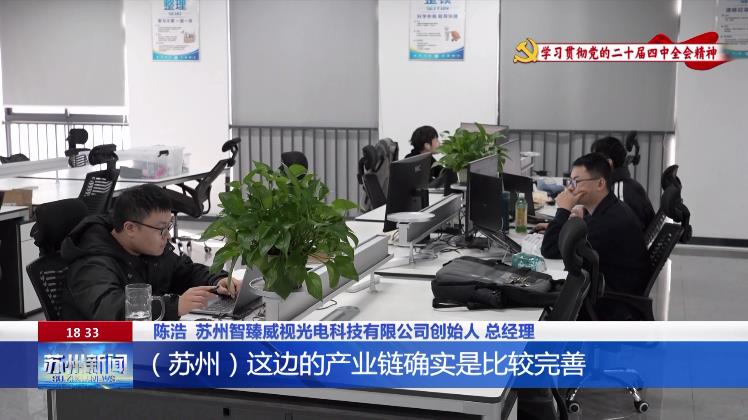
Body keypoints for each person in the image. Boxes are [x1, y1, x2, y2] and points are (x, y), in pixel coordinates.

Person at [61, 184, 240, 320]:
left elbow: (184, 271)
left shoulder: (147, 248)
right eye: (161, 229)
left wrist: (218, 280)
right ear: (130, 228)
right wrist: (173, 306)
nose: (168, 236)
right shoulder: (92, 263)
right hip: (99, 350)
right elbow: (110, 310)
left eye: (169, 227)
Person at [539, 153, 649, 296]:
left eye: (576, 182)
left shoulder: (608, 222)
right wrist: (563, 228)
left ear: (600, 183)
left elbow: (549, 249)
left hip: (610, 299)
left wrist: (563, 210)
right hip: (606, 287)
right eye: (570, 182)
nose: (570, 188)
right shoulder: (610, 208)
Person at [591, 136, 655, 229]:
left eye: (594, 161)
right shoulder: (626, 186)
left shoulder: (619, 192)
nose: (591, 167)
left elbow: (617, 230)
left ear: (608, 163)